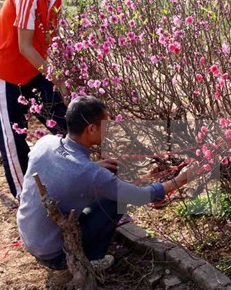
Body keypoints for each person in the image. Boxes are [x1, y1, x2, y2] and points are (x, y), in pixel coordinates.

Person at [16, 96, 199, 270]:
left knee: (106, 192)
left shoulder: (45, 142)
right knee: (116, 200)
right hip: (56, 255)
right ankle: (92, 259)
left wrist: (93, 166)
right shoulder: (89, 173)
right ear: (91, 129)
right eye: (106, 125)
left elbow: (63, 170)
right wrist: (182, 179)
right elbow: (140, 197)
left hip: (31, 239)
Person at [0, 0, 89, 198]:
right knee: (12, 141)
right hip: (5, 75)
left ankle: (77, 185)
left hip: (34, 71)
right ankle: (26, 200)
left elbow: (48, 40)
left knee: (66, 126)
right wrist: (58, 77)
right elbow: (25, 46)